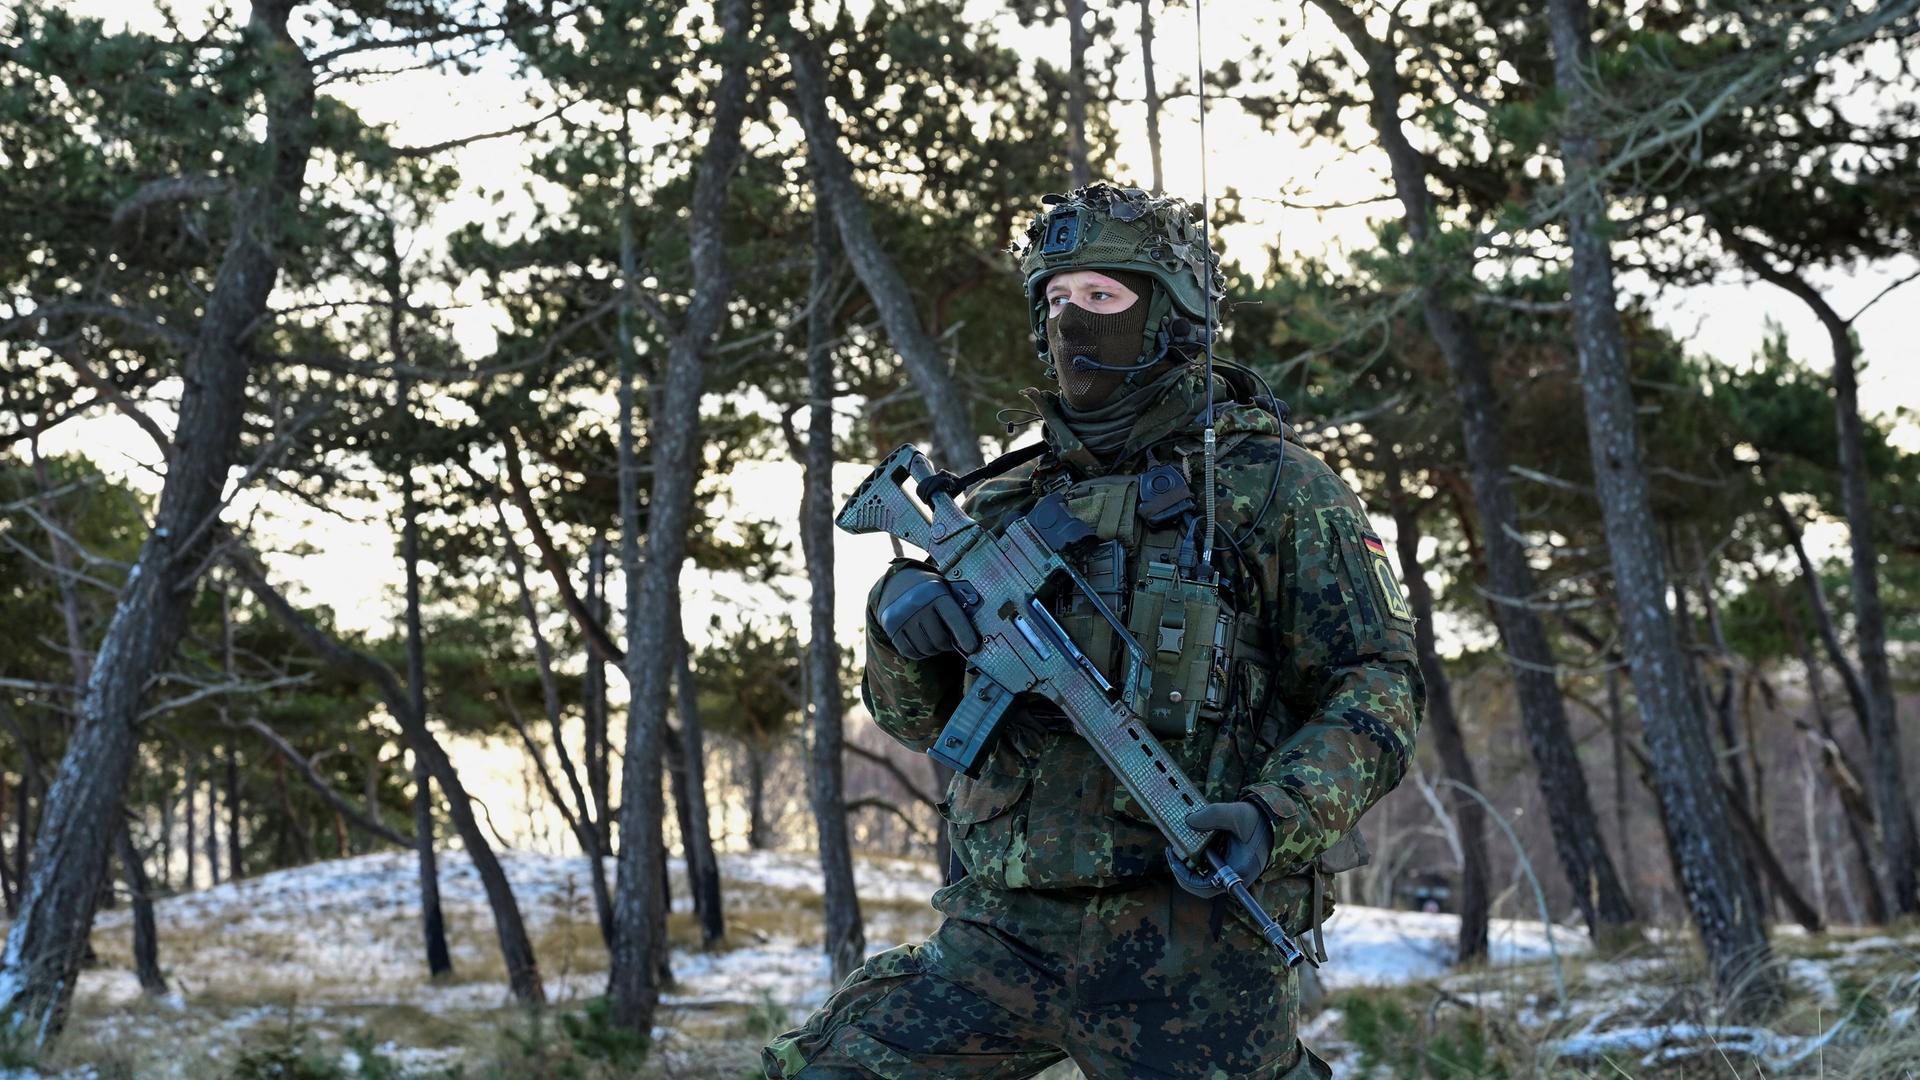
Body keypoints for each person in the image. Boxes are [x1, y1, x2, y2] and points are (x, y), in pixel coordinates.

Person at [763, 183, 1423, 1079]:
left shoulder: (1276, 490)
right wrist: (897, 626)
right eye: (1057, 298)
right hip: (1003, 931)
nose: (1074, 321)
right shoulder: (1002, 502)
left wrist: (1276, 816)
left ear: (1171, 314)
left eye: (1103, 296)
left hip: (1194, 942)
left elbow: (1377, 687)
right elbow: (919, 720)